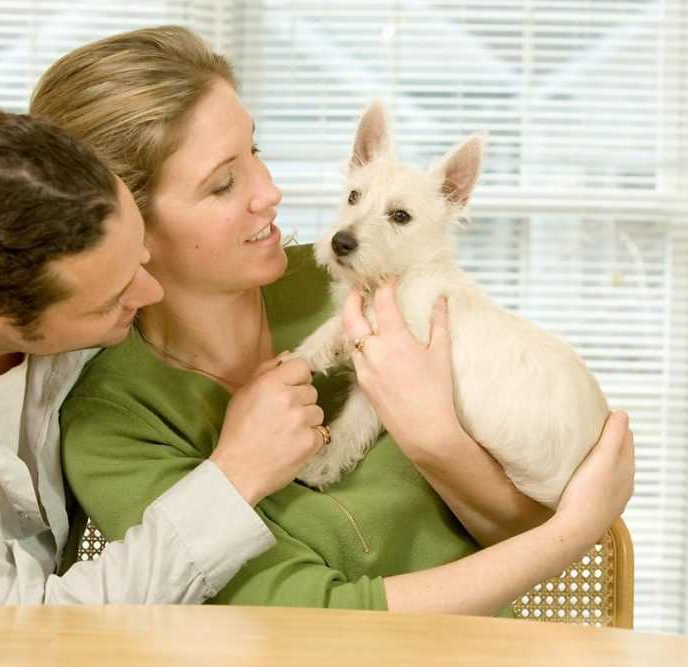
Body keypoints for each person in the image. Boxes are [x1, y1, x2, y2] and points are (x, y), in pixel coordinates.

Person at [34, 26, 635, 615]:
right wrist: (235, 467)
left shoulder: (365, 278)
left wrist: (436, 443)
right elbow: (314, 621)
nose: (270, 191)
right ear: (124, 223)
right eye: (223, 183)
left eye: (256, 150)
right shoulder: (112, 426)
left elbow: (522, 526)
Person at [0, 108, 326, 608]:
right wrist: (239, 472)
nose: (151, 291)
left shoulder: (34, 246)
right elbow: (21, 632)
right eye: (110, 301)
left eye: (140, 255)